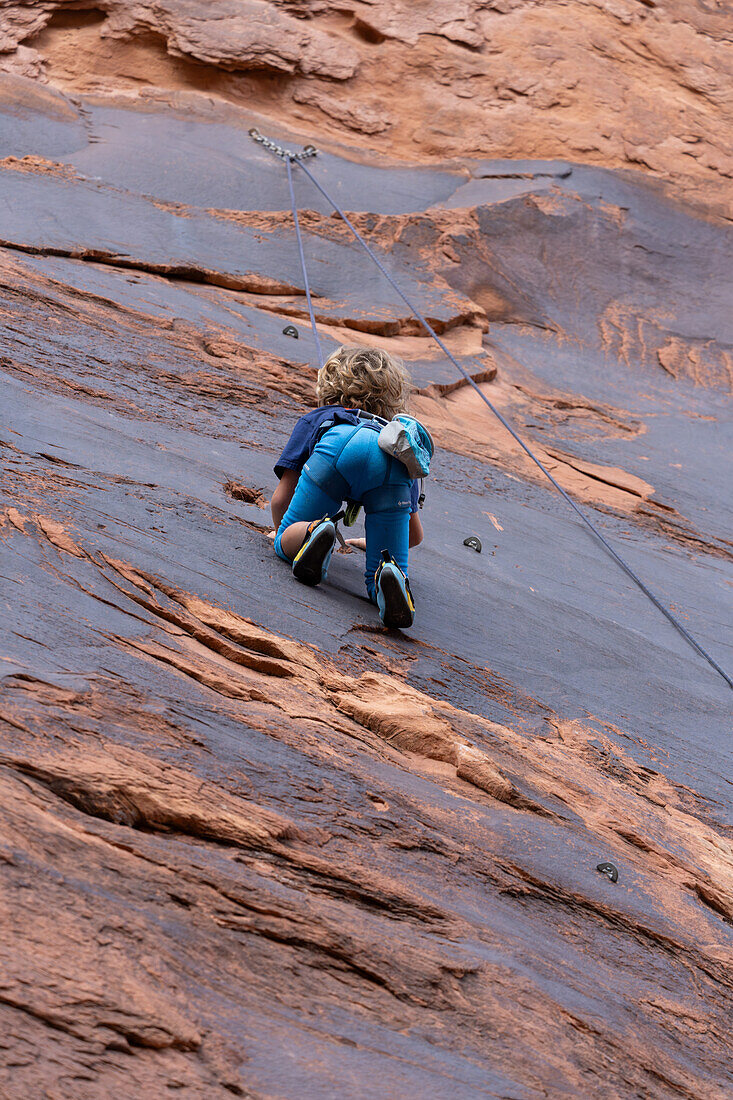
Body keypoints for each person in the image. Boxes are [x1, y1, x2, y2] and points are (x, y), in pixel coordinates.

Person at [270, 345, 424, 628]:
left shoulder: (320, 416)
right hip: (390, 464)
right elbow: (414, 535)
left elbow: (281, 500)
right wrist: (373, 543)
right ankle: (389, 576)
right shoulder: (399, 441)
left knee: (286, 540)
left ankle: (313, 532)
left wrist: (284, 531)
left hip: (339, 444)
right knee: (385, 567)